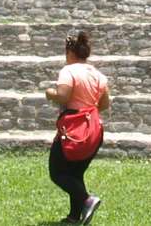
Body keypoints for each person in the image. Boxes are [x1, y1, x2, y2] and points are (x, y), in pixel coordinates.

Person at [44, 30, 111, 224]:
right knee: (75, 173)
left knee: (57, 172)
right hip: (94, 130)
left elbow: (63, 96)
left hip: (73, 129)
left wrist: (50, 93)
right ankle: (74, 217)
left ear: (69, 53)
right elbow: (104, 104)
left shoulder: (69, 71)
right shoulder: (98, 75)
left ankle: (87, 199)